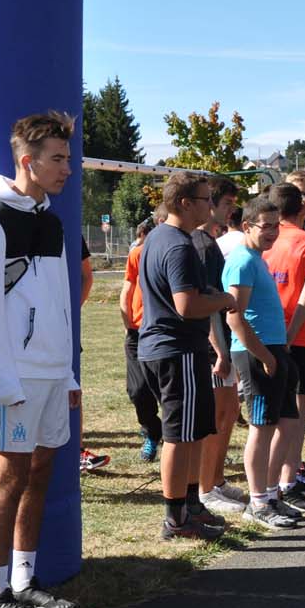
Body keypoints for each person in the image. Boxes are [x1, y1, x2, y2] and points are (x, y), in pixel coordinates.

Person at [0, 111, 82, 608]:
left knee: (40, 473)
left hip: (54, 375)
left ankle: (23, 583)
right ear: (27, 161)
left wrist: (71, 372)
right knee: (9, 477)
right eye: (58, 159)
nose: (67, 169)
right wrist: (4, 381)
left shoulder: (52, 223)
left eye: (68, 159)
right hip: (17, 379)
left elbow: (61, 304)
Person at [138, 173, 237, 540]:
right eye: (204, 199)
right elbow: (186, 304)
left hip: (172, 348)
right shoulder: (178, 244)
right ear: (184, 202)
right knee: (179, 435)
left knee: (193, 430)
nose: (210, 206)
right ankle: (176, 517)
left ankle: (191, 504)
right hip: (176, 348)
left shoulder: (161, 237)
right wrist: (225, 300)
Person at [223, 197, 300, 529]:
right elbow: (234, 317)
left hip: (273, 350)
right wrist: (266, 356)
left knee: (285, 424)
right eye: (265, 226)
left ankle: (269, 496)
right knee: (261, 427)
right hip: (256, 353)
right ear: (247, 226)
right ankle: (257, 502)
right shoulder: (241, 261)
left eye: (276, 225)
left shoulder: (258, 259)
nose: (272, 232)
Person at [262, 182, 305, 513]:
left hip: (265, 334)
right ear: (301, 207)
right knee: (296, 416)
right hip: (298, 336)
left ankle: (270, 486)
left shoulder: (264, 239)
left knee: (272, 415)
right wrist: (290, 335)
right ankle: (286, 481)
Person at [195, 177, 247, 518]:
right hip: (213, 346)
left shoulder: (211, 242)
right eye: (227, 204)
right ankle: (204, 488)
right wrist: (219, 351)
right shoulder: (200, 244)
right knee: (216, 416)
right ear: (210, 203)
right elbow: (207, 301)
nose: (231, 211)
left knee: (228, 413)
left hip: (222, 343)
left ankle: (216, 479)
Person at [120, 214, 163, 462]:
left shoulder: (174, 252)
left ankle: (173, 436)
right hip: (137, 331)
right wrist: (128, 323)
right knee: (137, 390)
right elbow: (128, 287)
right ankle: (151, 430)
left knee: (164, 390)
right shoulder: (137, 253)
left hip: (162, 331)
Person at [78, 235, 110, 474]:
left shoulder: (67, 231)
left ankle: (76, 452)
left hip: (64, 331)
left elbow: (87, 276)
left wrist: (69, 312)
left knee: (72, 390)